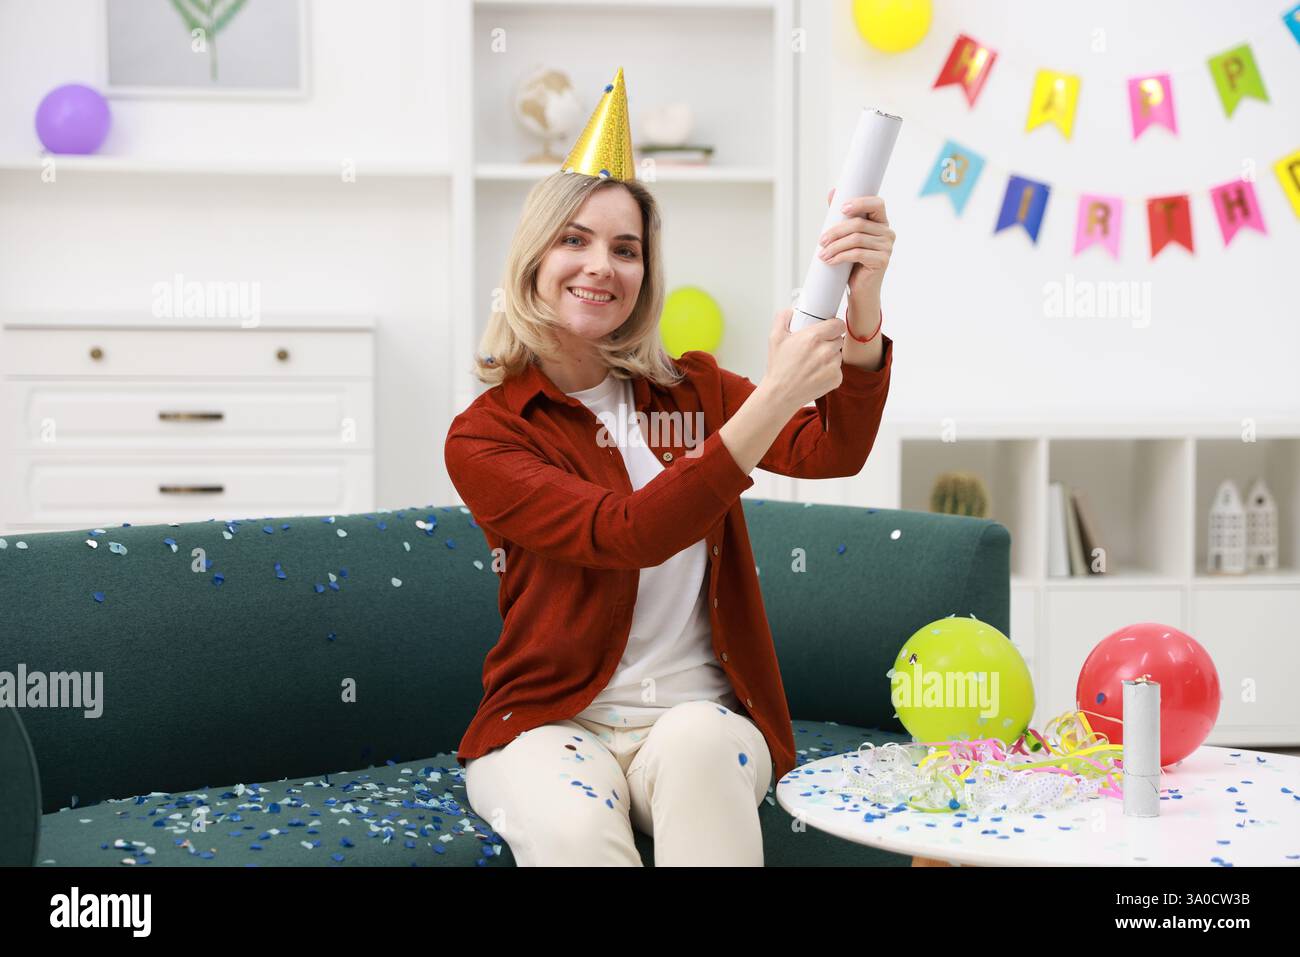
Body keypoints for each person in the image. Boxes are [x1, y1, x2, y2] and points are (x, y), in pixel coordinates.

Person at [443, 68, 894, 866]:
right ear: (532, 259)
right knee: (577, 829)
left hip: (698, 718)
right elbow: (624, 532)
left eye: (626, 249)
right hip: (547, 725)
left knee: (695, 749)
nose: (600, 266)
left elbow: (833, 448)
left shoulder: (694, 389)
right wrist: (777, 393)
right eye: (574, 239)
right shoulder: (487, 436)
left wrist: (861, 311)